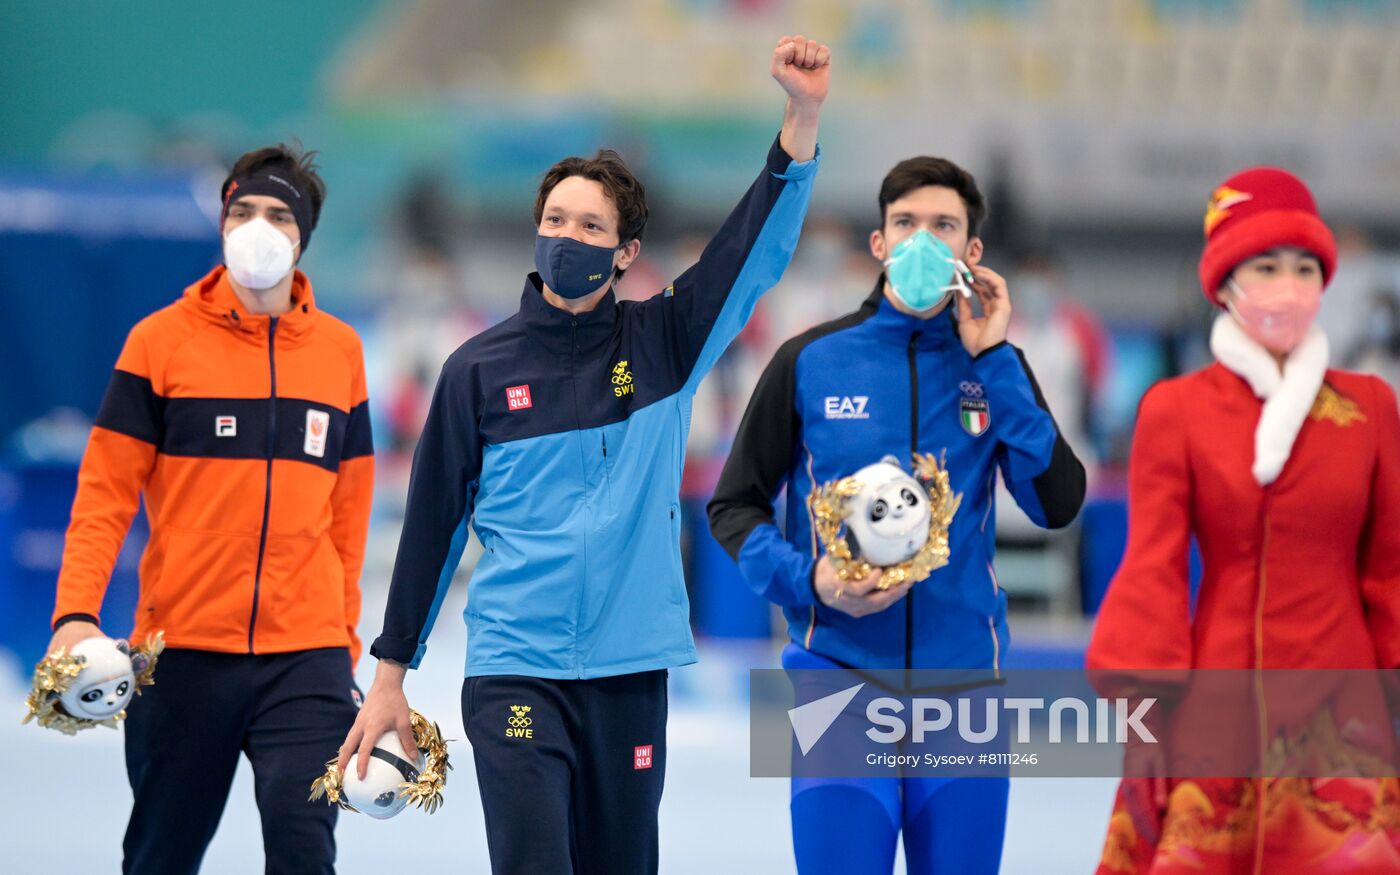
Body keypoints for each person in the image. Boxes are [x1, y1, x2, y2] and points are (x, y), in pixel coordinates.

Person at [339, 35, 830, 875]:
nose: (569, 234)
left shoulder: (667, 342)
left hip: (630, 672)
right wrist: (390, 672)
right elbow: (430, 532)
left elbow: (748, 255)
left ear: (626, 252)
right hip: (514, 673)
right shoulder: (476, 371)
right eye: (556, 219)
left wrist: (801, 116)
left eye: (592, 224)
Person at [707, 155, 1086, 875]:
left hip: (964, 695)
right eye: (905, 223)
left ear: (971, 254)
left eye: (943, 226)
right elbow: (734, 505)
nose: (921, 239)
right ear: (879, 243)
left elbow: (1057, 502)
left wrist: (997, 358)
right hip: (838, 686)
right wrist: (809, 580)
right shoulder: (810, 360)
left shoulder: (995, 367)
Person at [45, 143, 374, 874]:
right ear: (222, 223)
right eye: (242, 210)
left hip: (307, 655)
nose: (256, 225)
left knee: (303, 840)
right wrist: (75, 613)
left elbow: (350, 515)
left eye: (278, 214)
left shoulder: (341, 351)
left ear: (303, 237)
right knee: (163, 852)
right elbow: (104, 494)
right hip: (182, 649)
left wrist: (343, 642)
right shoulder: (158, 342)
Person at [1086, 167, 1400, 873]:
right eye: (1266, 266)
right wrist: (1143, 715)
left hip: (1342, 704)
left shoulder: (1372, 407)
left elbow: (1391, 569)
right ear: (1225, 283)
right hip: (1217, 700)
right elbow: (1152, 570)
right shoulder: (1177, 408)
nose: (1288, 285)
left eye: (1304, 267)